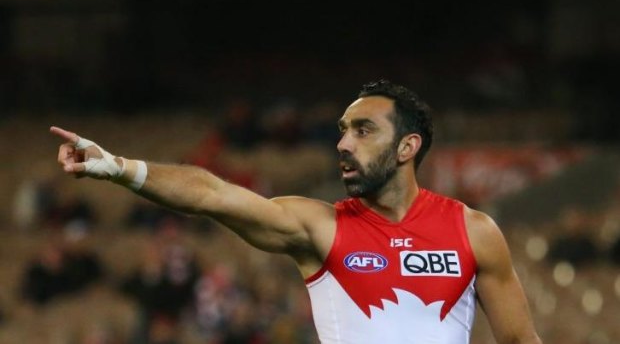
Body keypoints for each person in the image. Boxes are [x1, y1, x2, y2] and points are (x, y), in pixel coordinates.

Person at [51, 80, 541, 344]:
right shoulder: (319, 226)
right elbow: (211, 194)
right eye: (343, 130)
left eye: (363, 130)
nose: (343, 144)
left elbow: (519, 340)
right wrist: (118, 167)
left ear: (408, 146)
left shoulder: (473, 231)